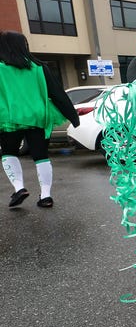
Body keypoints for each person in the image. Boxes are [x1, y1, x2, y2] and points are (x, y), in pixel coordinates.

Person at [0, 31, 79, 209]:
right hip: (38, 117)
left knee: (9, 153)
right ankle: (46, 196)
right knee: (41, 156)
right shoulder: (39, 67)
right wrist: (73, 116)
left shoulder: (1, 68)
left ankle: (19, 188)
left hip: (9, 117)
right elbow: (57, 93)